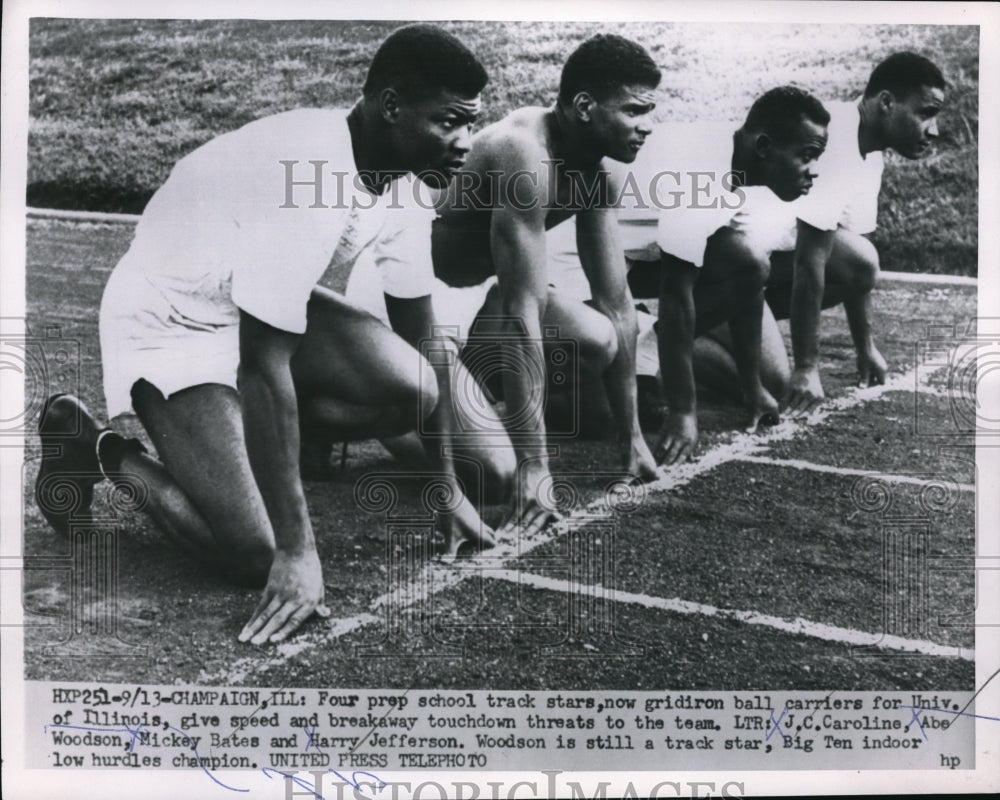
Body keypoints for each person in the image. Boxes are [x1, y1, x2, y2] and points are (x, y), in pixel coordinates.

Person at [35, 24, 491, 646]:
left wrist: (447, 491)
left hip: (244, 304)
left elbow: (425, 336)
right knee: (257, 553)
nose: (465, 143)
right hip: (172, 322)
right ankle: (98, 449)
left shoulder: (405, 173)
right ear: (391, 107)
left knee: (415, 389)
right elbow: (262, 363)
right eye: (449, 123)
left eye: (471, 124)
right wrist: (298, 552)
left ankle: (262, 450)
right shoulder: (307, 177)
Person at [428, 33, 663, 535]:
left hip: (482, 301)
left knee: (598, 338)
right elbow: (521, 313)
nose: (647, 126)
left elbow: (617, 303)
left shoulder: (599, 173)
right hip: (424, 304)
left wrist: (632, 438)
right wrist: (536, 465)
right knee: (497, 473)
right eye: (635, 111)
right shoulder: (523, 152)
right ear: (584, 106)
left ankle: (472, 401)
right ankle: (413, 417)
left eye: (651, 111)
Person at [542, 87, 831, 464]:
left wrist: (752, 386)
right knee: (599, 418)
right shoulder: (702, 173)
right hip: (569, 260)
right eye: (806, 155)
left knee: (749, 261)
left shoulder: (737, 162)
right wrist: (683, 412)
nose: (815, 169)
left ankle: (639, 342)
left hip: (627, 257)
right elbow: (676, 294)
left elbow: (747, 282)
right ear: (764, 146)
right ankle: (560, 362)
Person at [771, 52, 946, 416]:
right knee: (775, 382)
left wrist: (864, 347)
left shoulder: (870, 152)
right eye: (925, 113)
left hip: (765, 261)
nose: (934, 130)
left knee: (860, 261)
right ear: (886, 102)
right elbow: (808, 261)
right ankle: (664, 333)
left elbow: (854, 266)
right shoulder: (831, 141)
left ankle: (732, 322)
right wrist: (806, 367)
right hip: (721, 256)